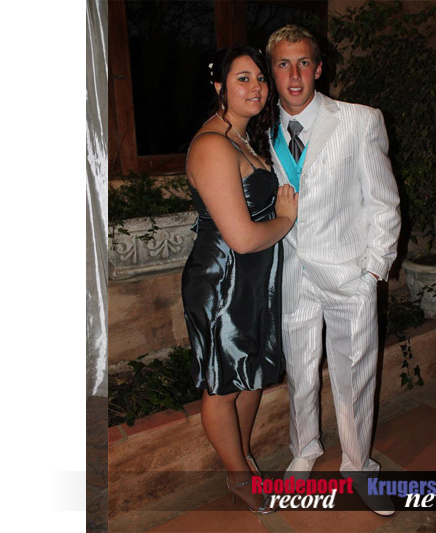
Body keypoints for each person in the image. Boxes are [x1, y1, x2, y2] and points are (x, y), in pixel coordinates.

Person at [265, 25, 401, 516]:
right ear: (271, 72)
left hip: (348, 275)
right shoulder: (259, 130)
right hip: (292, 273)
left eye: (303, 62)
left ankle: (358, 465)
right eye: (283, 64)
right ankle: (304, 448)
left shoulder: (359, 121)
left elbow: (384, 202)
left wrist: (373, 271)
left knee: (354, 375)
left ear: (319, 68)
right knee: (299, 369)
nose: (294, 75)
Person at [181, 46, 298, 515]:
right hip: (222, 281)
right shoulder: (213, 145)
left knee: (250, 376)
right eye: (243, 78)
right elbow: (244, 237)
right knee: (222, 384)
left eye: (260, 79)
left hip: (251, 280)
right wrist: (286, 221)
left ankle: (242, 457)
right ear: (219, 86)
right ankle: (238, 476)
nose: (257, 87)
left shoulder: (244, 138)